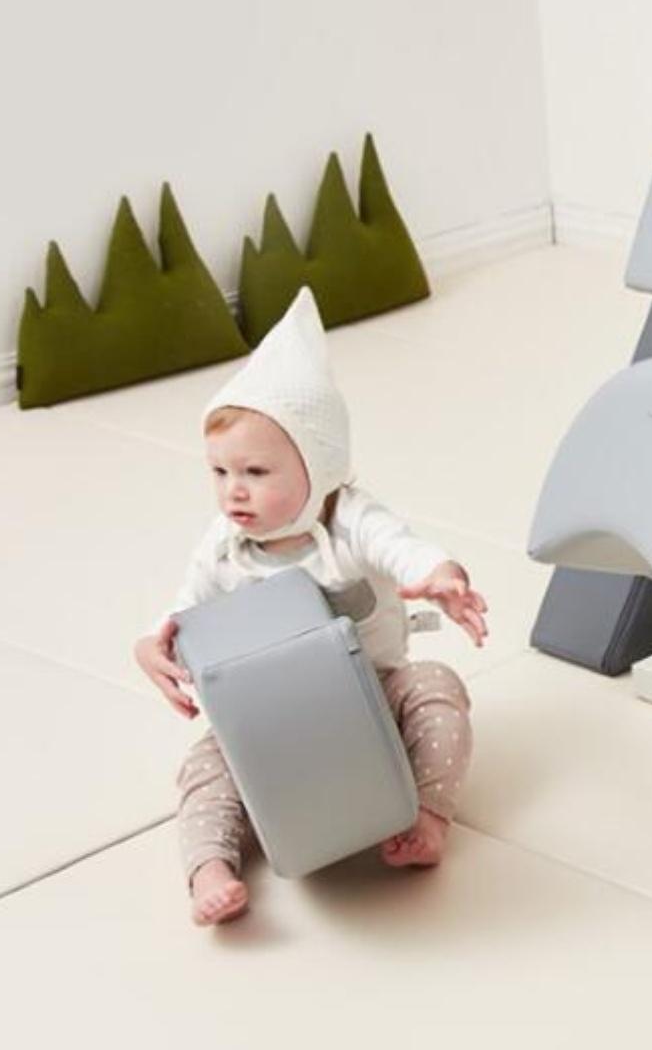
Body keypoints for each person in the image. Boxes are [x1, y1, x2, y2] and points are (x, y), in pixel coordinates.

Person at [133, 288, 488, 926]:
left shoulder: (349, 519)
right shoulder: (224, 545)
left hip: (373, 694)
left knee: (438, 687)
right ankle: (210, 866)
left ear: (319, 466)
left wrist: (439, 576)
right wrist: (152, 645)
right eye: (219, 472)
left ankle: (430, 816)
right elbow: (185, 613)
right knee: (205, 765)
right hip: (271, 717)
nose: (233, 492)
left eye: (255, 472)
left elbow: (400, 547)